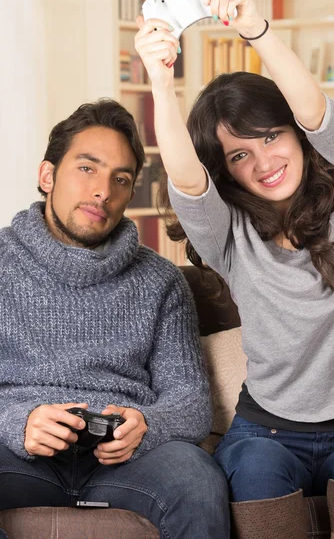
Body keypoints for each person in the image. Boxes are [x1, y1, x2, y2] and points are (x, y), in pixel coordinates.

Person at [135, 0, 334, 538]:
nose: (264, 161)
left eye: (271, 135)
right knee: (257, 486)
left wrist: (255, 28)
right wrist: (160, 79)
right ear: (225, 170)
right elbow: (186, 181)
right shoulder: (230, 236)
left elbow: (316, 112)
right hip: (265, 434)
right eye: (238, 155)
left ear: (297, 136)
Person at [0, 98, 230, 539]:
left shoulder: (161, 281)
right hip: (17, 452)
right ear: (47, 176)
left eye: (120, 179)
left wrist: (150, 426)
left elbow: (190, 402)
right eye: (87, 168)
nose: (103, 190)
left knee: (198, 478)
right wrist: (18, 421)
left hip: (126, 462)